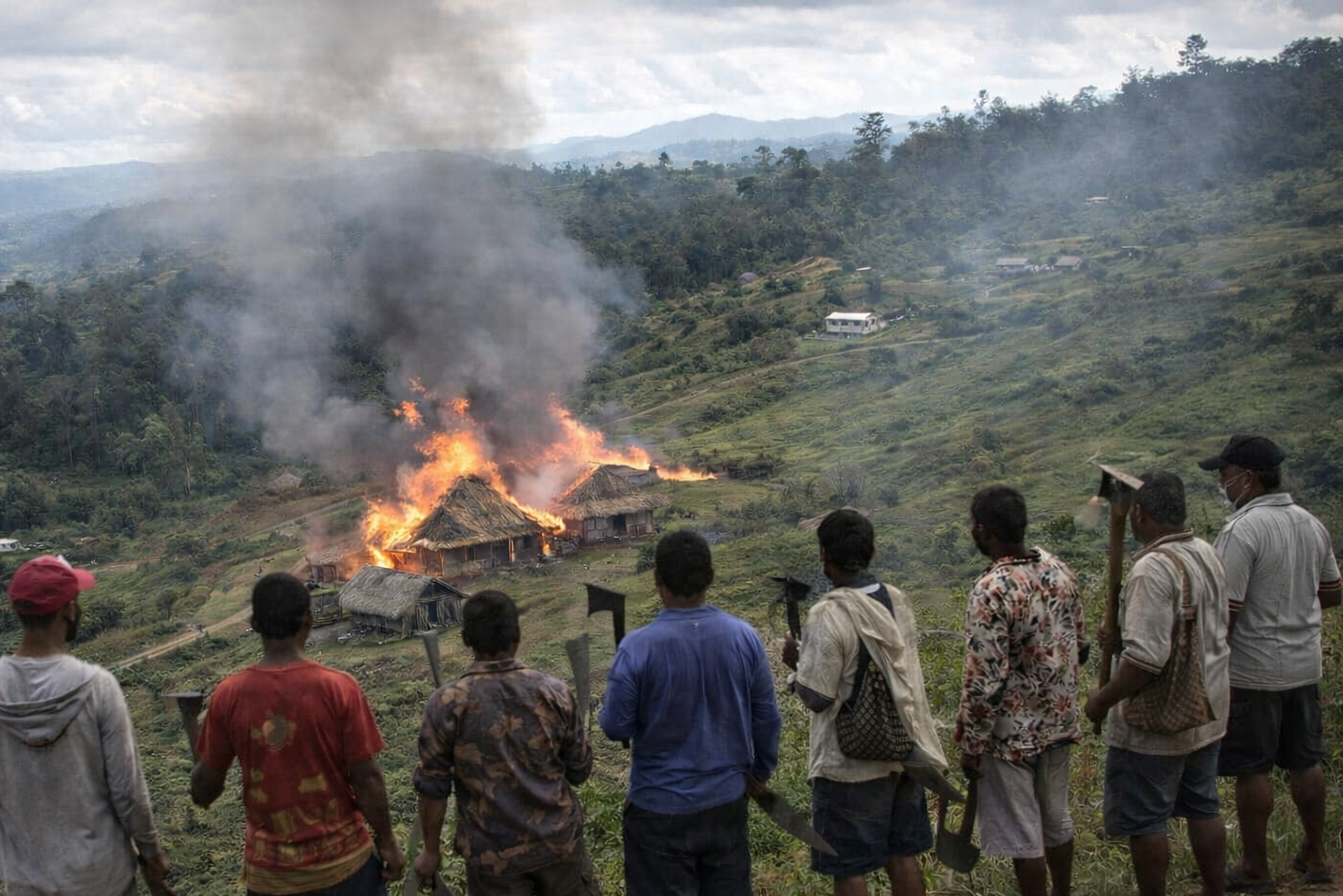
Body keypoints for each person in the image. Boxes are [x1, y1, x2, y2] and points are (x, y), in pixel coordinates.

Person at [190, 572, 405, 895]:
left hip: (272, 878)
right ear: (309, 619)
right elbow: (366, 778)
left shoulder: (229, 695)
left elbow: (205, 789)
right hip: (346, 869)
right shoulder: (339, 688)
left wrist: (198, 763)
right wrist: (387, 842)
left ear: (255, 623)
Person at [600, 529, 781, 896]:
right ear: (710, 577)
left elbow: (616, 726)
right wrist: (759, 772)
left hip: (658, 810)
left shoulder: (637, 648)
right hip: (726, 803)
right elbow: (767, 716)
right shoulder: (743, 637)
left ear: (657, 580)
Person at [1200, 435, 1341, 892]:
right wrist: (1295, 607)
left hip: (1255, 672)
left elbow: (1226, 611)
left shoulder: (1242, 531)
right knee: (1305, 761)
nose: (1221, 483)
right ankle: (1316, 855)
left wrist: (1209, 664)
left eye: (1225, 475)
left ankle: (1255, 866)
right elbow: (1333, 592)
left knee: (1252, 768)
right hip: (1304, 665)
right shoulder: (1311, 524)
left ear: (1248, 478)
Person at [780, 508, 948, 896]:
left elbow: (818, 697)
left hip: (849, 765)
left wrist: (794, 668)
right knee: (902, 857)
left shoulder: (828, 612)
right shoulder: (896, 599)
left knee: (848, 868)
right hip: (904, 751)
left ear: (824, 555)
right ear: (871, 551)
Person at [1084, 471, 1229, 896]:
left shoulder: (1151, 569)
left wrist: (1101, 700)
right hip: (1207, 707)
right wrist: (1118, 636)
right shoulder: (1205, 551)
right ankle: (1215, 889)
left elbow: (1145, 662)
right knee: (1203, 805)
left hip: (1159, 721)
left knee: (1146, 820)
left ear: (1140, 514)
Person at [0, 555, 171, 896]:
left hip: (27, 883)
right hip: (103, 880)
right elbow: (128, 792)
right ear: (68, 610)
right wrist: (151, 853)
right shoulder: (97, 687)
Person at [412, 589, 598, 895]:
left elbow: (433, 789)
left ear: (465, 639)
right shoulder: (554, 693)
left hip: (494, 863)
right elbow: (580, 770)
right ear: (517, 634)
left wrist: (431, 850)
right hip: (559, 849)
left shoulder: (446, 704)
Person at [955, 485, 1086, 896]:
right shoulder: (1059, 570)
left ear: (984, 530)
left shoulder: (992, 589)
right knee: (1056, 822)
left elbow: (984, 679)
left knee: (1024, 838)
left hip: (1010, 737)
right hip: (1059, 721)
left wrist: (971, 743)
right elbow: (1081, 645)